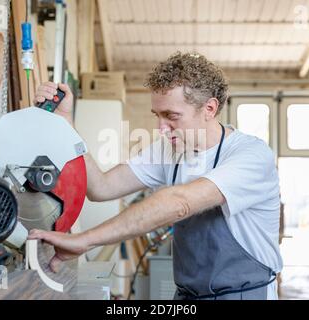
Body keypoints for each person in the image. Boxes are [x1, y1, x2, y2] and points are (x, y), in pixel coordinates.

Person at [30, 52, 283, 300]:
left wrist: (84, 240)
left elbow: (179, 203)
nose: (161, 129)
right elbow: (102, 188)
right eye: (157, 116)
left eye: (171, 116)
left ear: (209, 108)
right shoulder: (169, 148)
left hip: (244, 295)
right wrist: (65, 121)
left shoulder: (251, 155)